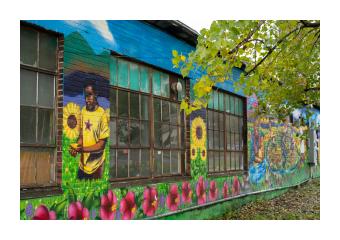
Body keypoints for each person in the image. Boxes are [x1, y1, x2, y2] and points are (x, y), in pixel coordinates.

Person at [69, 84, 109, 179]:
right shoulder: (83, 111)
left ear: (96, 94)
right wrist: (76, 148)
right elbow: (82, 135)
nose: (87, 99)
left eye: (89, 95)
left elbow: (101, 145)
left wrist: (81, 149)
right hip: (82, 165)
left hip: (96, 166)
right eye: (85, 96)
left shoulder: (102, 115)